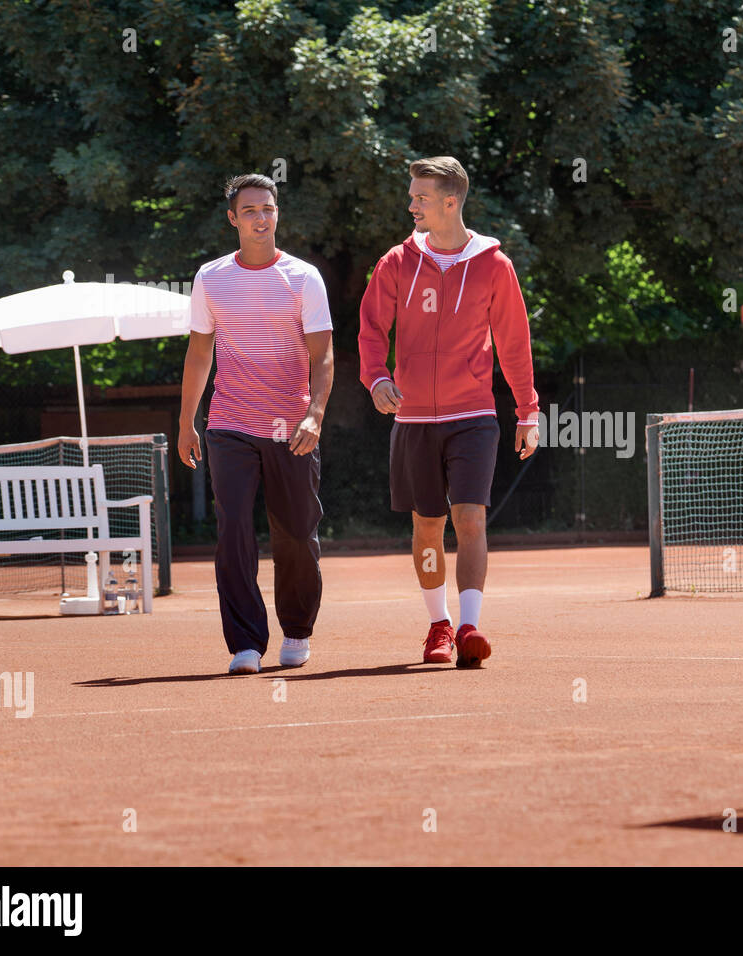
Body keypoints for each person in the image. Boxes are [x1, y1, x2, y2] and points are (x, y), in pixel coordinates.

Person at [359, 156, 539, 668]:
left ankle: (469, 626)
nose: (411, 204)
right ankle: (437, 625)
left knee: (470, 519)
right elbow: (371, 330)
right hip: (413, 418)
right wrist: (376, 378)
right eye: (412, 195)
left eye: (420, 196)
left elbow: (514, 342)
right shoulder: (396, 261)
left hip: (474, 415)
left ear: (450, 201)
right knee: (427, 526)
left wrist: (527, 411)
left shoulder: (494, 265)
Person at [178, 173, 335, 674]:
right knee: (234, 533)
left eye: (267, 208)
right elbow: (200, 351)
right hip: (229, 426)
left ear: (276, 214)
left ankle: (296, 630)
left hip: (291, 427)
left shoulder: (304, 277)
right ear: (233, 219)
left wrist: (315, 414)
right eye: (250, 210)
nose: (260, 217)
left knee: (295, 534)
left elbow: (324, 355)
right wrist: (187, 422)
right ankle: (245, 643)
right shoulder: (211, 278)